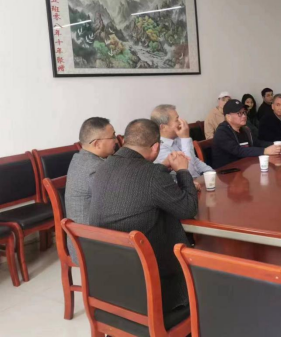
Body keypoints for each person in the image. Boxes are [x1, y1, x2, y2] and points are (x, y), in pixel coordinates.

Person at [89, 119, 198, 313]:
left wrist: (162, 167)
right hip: (151, 281)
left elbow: (138, 182)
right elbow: (188, 209)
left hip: (111, 276)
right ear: (155, 147)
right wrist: (182, 171)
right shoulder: (152, 174)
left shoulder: (102, 167)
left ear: (125, 141)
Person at [65, 117, 117, 262]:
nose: (116, 140)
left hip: (80, 239)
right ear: (97, 143)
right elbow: (118, 199)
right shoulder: (95, 169)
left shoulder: (79, 158)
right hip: (88, 247)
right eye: (112, 136)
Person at [212, 99, 281, 168]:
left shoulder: (245, 129)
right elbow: (238, 151)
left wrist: (275, 145)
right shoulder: (222, 132)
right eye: (239, 113)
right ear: (228, 117)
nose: (244, 116)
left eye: (244, 112)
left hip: (244, 167)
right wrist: (265, 151)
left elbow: (256, 143)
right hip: (226, 172)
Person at [151, 104, 212, 180]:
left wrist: (212, 173)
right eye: (177, 120)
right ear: (163, 127)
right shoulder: (160, 149)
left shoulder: (177, 138)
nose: (180, 122)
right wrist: (185, 138)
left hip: (199, 181)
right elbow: (189, 174)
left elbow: (195, 161)